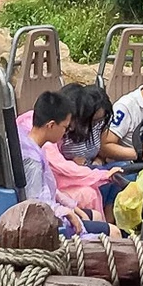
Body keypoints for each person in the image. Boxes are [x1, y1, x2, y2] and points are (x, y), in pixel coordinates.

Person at [19, 90, 102, 234]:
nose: (65, 132)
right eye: (64, 127)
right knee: (114, 233)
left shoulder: (29, 143)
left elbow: (46, 189)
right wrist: (66, 212)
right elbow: (36, 204)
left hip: (52, 208)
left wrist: (72, 207)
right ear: (51, 125)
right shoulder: (32, 160)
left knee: (97, 216)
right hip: (47, 223)